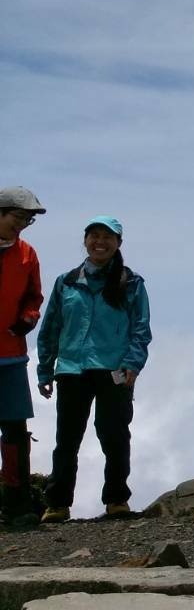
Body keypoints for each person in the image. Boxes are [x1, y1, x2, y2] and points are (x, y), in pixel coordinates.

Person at [35, 216, 151, 522]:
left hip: (115, 368)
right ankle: (57, 504)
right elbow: (51, 328)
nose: (100, 242)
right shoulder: (67, 281)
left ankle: (116, 500)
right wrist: (45, 370)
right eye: (94, 236)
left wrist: (133, 365)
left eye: (107, 237)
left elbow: (141, 330)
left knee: (114, 435)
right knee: (67, 438)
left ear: (118, 244)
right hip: (72, 369)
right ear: (85, 241)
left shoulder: (132, 283)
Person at [0, 187, 46, 526]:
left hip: (12, 357)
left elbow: (34, 297)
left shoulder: (27, 253)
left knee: (16, 433)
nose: (24, 225)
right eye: (19, 217)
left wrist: (29, 319)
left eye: (27, 220)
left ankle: (17, 507)